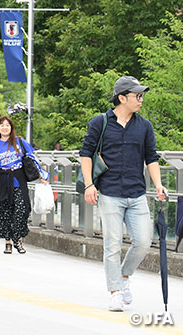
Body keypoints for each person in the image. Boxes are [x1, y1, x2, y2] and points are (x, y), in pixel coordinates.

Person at [79, 76, 166, 312]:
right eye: (137, 95)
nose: (141, 99)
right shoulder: (100, 122)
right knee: (113, 244)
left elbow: (152, 157)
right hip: (108, 193)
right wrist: (89, 185)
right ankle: (115, 291)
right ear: (122, 98)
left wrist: (158, 185)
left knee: (143, 242)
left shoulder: (144, 126)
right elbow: (86, 154)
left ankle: (124, 276)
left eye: (141, 95)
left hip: (136, 193)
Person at [0, 116, 48, 254]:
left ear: (11, 128)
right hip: (3, 179)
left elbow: (32, 158)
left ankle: (17, 237)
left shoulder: (19, 142)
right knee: (5, 211)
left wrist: (42, 175)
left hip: (19, 178)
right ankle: (8, 242)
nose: (5, 127)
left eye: (7, 125)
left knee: (22, 209)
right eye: (2, 125)